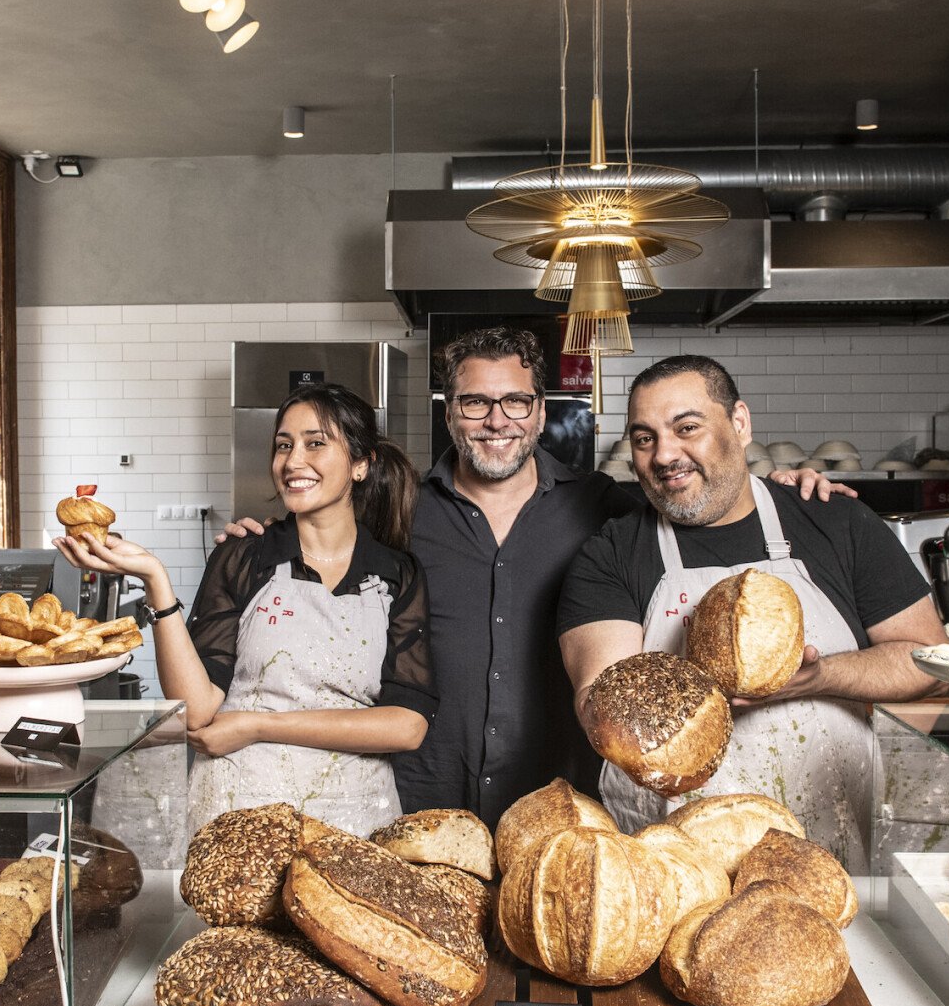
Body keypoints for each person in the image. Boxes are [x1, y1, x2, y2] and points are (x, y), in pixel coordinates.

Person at [217, 327, 855, 827]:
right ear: (450, 414)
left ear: (541, 410)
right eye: (474, 402)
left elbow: (704, 507)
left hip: (563, 804)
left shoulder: (604, 505)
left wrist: (786, 487)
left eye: (515, 401)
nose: (497, 420)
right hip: (417, 798)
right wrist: (255, 541)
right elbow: (321, 530)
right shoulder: (398, 505)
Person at [557, 354, 946, 869]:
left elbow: (929, 661)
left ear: (739, 424)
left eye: (687, 428)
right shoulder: (610, 555)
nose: (665, 454)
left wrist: (820, 676)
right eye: (645, 438)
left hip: (832, 850)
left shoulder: (837, 521)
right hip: (681, 867)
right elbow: (604, 708)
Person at [57, 382, 435, 837]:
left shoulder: (396, 574)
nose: (293, 461)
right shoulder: (244, 556)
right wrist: (155, 578)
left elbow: (406, 725)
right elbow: (197, 711)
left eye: (316, 443)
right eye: (283, 445)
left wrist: (257, 725)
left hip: (355, 821)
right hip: (240, 813)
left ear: (361, 464)